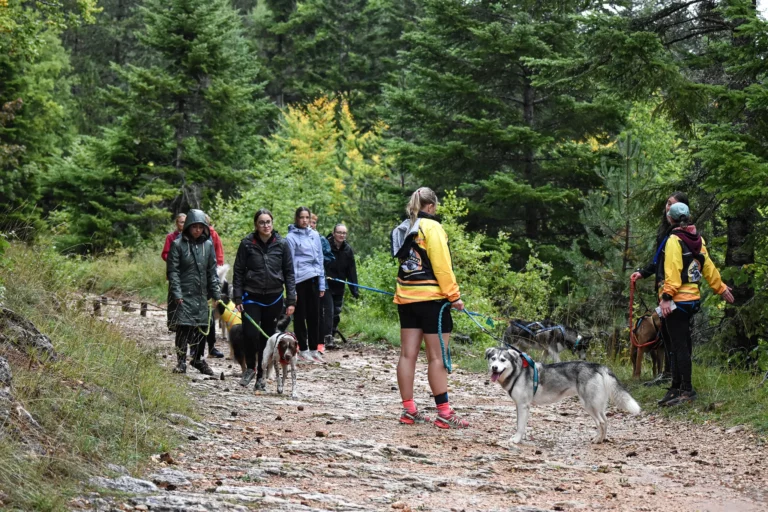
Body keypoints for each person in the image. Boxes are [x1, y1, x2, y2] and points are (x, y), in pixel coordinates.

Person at [391, 187, 468, 429]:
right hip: (432, 301)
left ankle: (409, 410)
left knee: (407, 355)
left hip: (406, 298)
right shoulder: (432, 227)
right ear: (431, 206)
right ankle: (444, 413)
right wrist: (454, 296)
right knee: (437, 357)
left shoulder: (405, 227)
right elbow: (442, 266)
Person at [655, 202, 734, 406]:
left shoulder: (674, 240)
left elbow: (673, 270)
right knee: (679, 344)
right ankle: (676, 387)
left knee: (678, 346)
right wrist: (720, 287)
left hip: (677, 301)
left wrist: (666, 297)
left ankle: (686, 390)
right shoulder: (698, 239)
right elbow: (708, 267)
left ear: (670, 219)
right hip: (692, 300)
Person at [232, 209, 297, 390]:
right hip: (251, 296)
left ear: (272, 223)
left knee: (267, 338)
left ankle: (261, 375)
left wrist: (291, 300)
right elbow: (238, 271)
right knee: (250, 333)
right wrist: (237, 297)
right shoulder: (247, 244)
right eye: (262, 222)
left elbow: (289, 273)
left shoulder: (282, 244)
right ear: (256, 225)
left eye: (268, 222)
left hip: (274, 298)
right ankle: (250, 367)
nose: (266, 225)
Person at [630, 192, 689, 385]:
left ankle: (681, 381)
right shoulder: (664, 233)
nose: (668, 207)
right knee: (665, 332)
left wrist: (668, 294)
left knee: (678, 335)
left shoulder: (684, 235)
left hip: (676, 292)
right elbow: (658, 261)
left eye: (672, 204)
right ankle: (669, 374)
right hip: (664, 290)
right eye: (667, 203)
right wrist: (643, 273)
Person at [166, 209, 221, 375]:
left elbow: (212, 271)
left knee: (202, 327)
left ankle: (197, 359)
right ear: (188, 226)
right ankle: (181, 362)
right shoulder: (177, 244)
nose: (197, 230)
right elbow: (173, 271)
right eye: (194, 226)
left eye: (200, 227)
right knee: (183, 328)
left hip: (201, 294)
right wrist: (177, 293)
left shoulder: (208, 245)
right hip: (183, 294)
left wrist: (216, 294)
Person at [285, 207, 326, 363]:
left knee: (314, 315)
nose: (304, 220)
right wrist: (292, 289)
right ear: (296, 218)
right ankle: (303, 349)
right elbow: (289, 264)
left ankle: (314, 349)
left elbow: (320, 259)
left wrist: (322, 283)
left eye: (307, 217)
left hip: (314, 279)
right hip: (299, 280)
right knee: (300, 316)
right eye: (301, 217)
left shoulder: (315, 235)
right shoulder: (290, 237)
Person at [324, 223, 359, 349]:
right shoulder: (326, 246)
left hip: (339, 285)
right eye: (339, 232)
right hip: (326, 285)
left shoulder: (347, 250)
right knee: (329, 310)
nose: (341, 235)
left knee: (336, 312)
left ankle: (331, 334)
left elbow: (351, 270)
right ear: (334, 233)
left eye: (344, 233)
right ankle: (327, 337)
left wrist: (354, 289)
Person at [311, 214, 335, 354]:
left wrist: (317, 259)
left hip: (319, 280)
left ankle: (320, 342)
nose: (311, 224)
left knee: (320, 312)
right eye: (309, 221)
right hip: (302, 281)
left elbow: (330, 257)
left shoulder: (321, 239)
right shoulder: (295, 238)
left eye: (314, 222)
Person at [203, 214, 226, 359]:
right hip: (194, 281)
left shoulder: (213, 235)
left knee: (210, 315)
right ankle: (194, 347)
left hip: (211, 277)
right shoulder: (185, 238)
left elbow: (219, 254)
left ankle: (211, 347)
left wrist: (217, 271)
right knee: (195, 317)